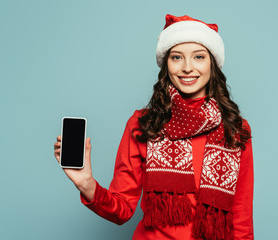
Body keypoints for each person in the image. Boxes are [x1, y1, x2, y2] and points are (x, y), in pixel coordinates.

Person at [54, 14, 254, 240]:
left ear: (213, 64)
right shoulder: (144, 125)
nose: (187, 68)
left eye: (199, 57)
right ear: (166, 65)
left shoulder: (234, 128)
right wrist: (86, 184)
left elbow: (241, 220)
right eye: (177, 57)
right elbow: (122, 210)